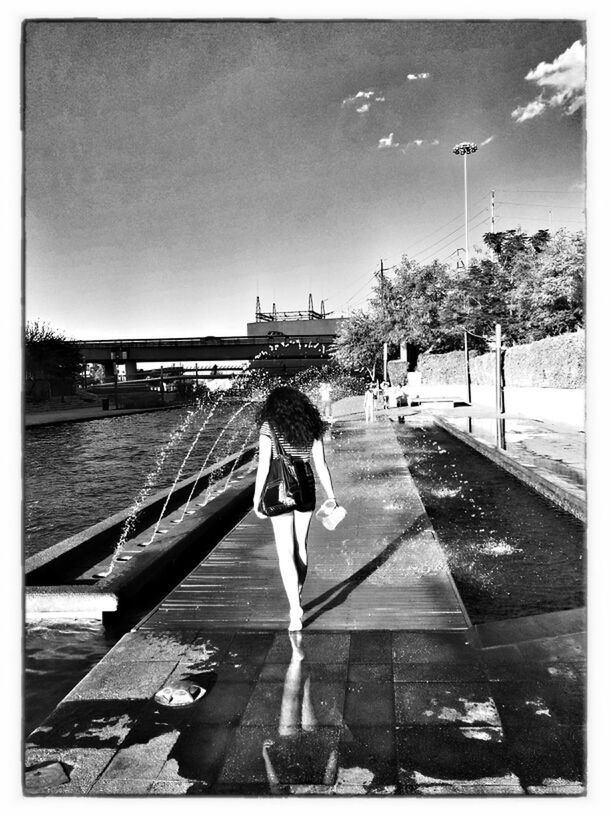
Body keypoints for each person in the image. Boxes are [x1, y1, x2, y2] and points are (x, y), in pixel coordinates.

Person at [253, 386, 338, 631]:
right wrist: (331, 497)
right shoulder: (312, 425)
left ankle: (294, 610)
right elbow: (321, 465)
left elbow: (264, 467)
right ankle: (297, 592)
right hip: (306, 487)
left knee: (285, 551)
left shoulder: (269, 427)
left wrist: (256, 499)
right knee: (301, 545)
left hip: (280, 490)